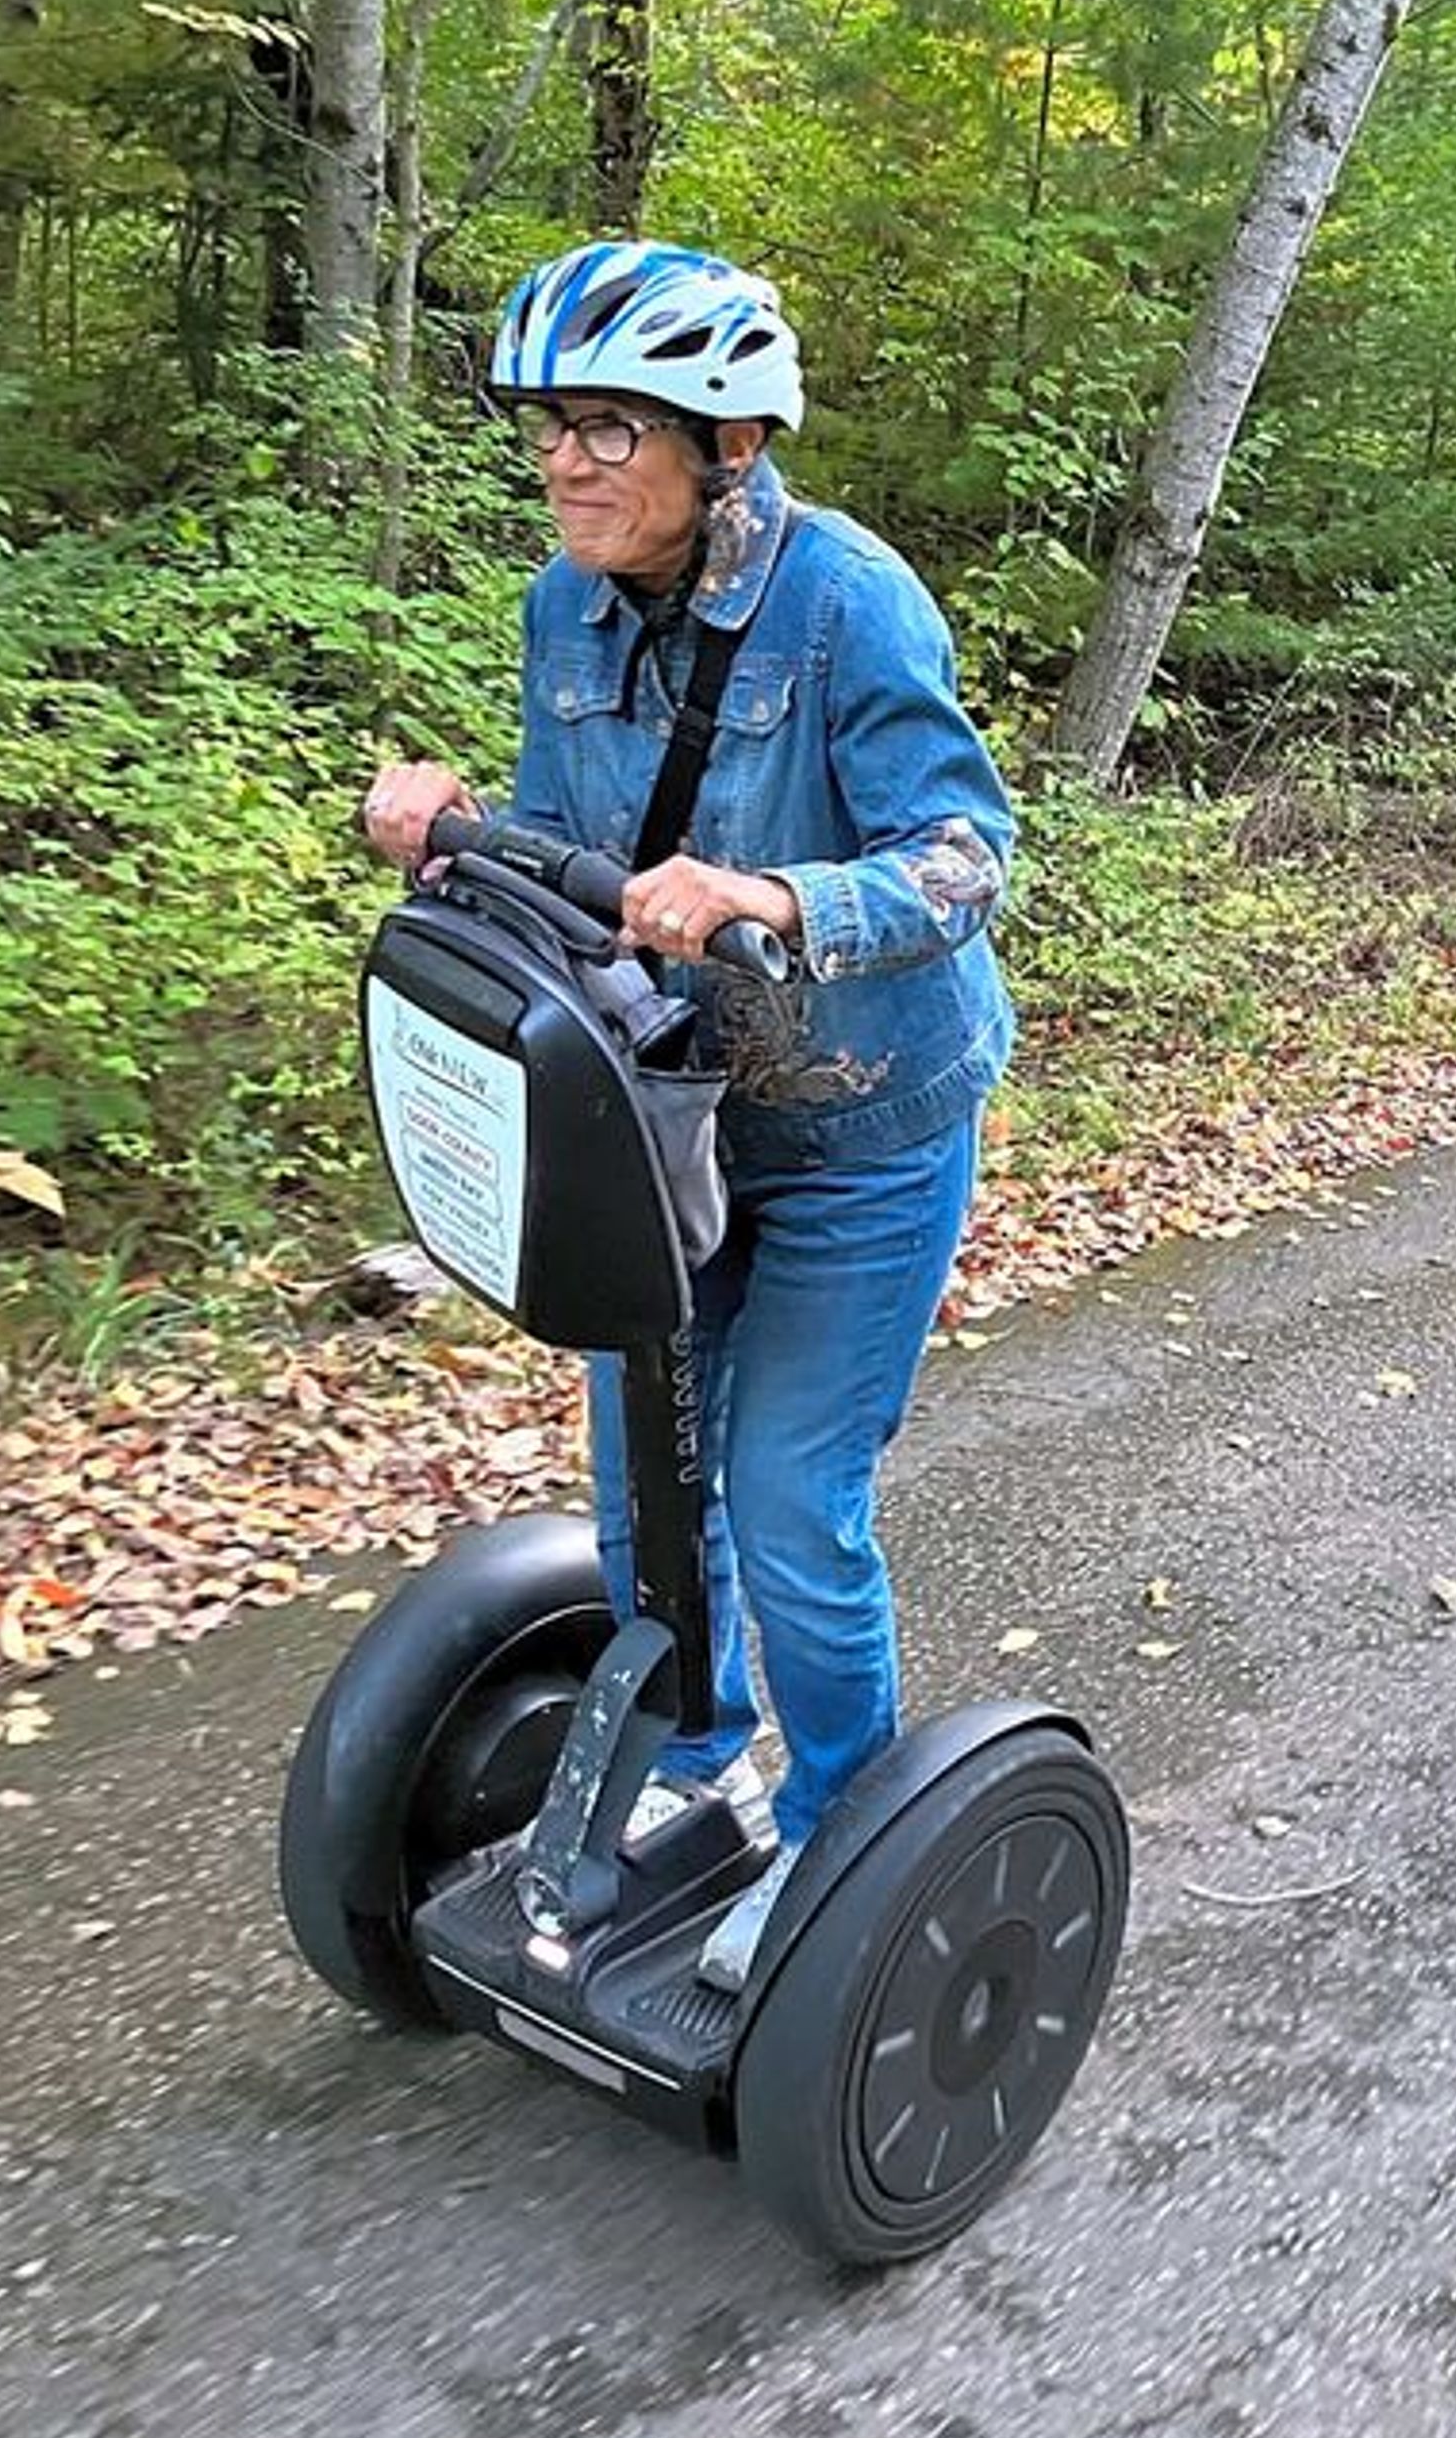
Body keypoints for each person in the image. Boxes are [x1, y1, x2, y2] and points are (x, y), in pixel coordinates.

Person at [360, 239, 1016, 1990]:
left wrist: (773, 898)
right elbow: (580, 848)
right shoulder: (558, 611)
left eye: (609, 429)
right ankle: (692, 1744)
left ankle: (835, 1839)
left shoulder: (850, 601)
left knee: (791, 1489)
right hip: (673, 1126)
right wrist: (450, 823)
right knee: (650, 1476)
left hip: (865, 1121)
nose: (567, 462)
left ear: (724, 444)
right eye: (554, 429)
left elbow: (966, 860)